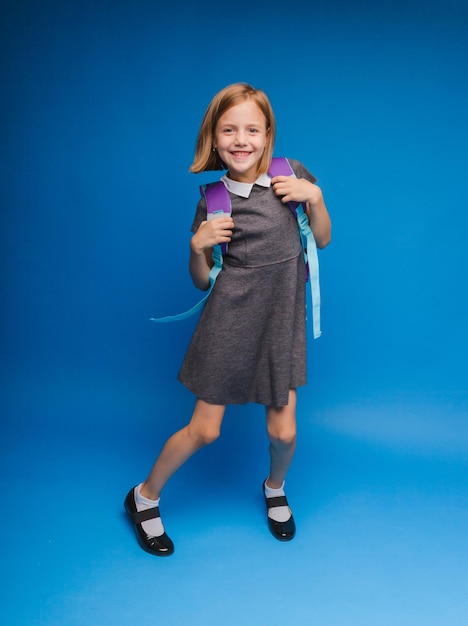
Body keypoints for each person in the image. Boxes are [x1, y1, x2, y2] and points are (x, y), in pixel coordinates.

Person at [124, 82, 331, 556]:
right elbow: (203, 281)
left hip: (280, 321)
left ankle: (274, 489)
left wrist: (315, 197)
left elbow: (321, 239)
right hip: (229, 321)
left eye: (252, 129)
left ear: (268, 134)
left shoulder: (292, 177)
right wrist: (196, 247)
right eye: (229, 130)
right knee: (205, 431)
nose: (242, 140)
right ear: (214, 140)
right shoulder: (213, 201)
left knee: (284, 431)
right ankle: (144, 497)